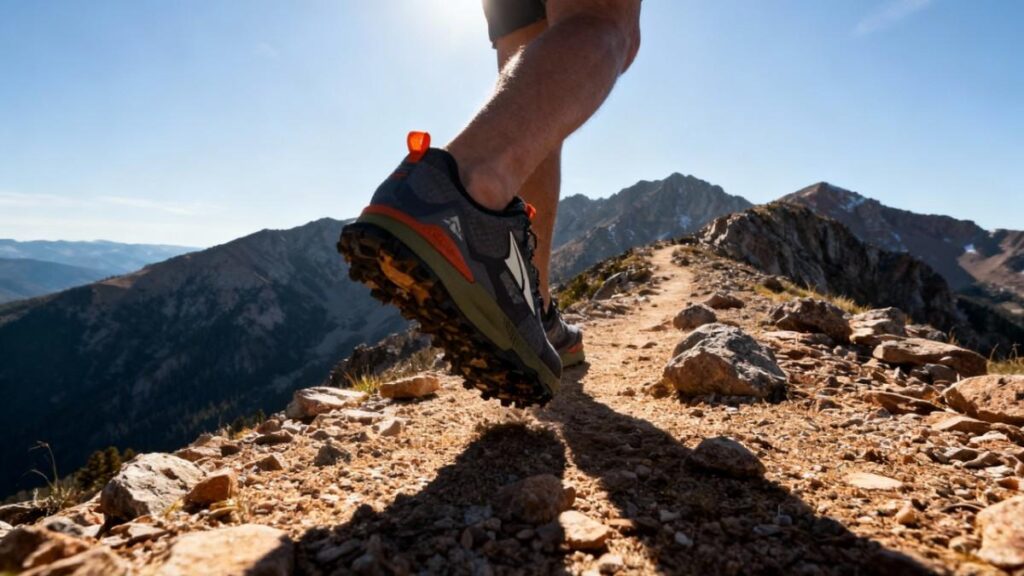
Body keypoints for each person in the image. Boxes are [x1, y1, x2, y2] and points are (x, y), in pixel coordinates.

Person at [339, 0, 642, 406]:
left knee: (530, 76)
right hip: (450, 193)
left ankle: (535, 308)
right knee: (600, 18)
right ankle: (464, 185)